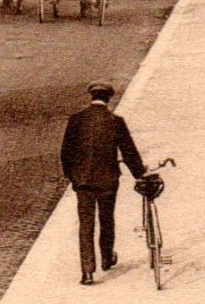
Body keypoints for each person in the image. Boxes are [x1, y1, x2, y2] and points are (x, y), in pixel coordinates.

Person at [60, 81, 149, 284]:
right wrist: (139, 174)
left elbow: (66, 153)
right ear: (108, 98)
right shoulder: (115, 121)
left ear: (91, 97)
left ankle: (87, 271)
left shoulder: (76, 120)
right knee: (106, 220)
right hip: (108, 180)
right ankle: (107, 258)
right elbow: (129, 153)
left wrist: (72, 176)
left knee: (86, 224)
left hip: (83, 182)